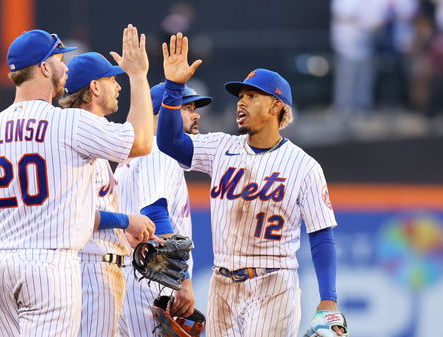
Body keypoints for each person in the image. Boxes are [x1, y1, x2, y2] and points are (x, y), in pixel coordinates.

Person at [0, 24, 154, 337]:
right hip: (49, 266)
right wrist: (139, 75)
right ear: (44, 67)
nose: (65, 66)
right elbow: (142, 142)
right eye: (60, 59)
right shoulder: (68, 122)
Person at [157, 33, 346, 337]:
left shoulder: (304, 166)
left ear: (276, 106)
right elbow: (169, 142)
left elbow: (321, 235)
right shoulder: (221, 147)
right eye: (240, 96)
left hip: (273, 283)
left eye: (252, 96)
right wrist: (174, 87)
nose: (241, 102)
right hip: (222, 284)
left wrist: (328, 299)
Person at [57, 51, 157, 337]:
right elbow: (141, 141)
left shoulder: (85, 138)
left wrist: (121, 233)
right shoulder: (81, 132)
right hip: (89, 268)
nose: (118, 86)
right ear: (94, 87)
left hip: (92, 264)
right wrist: (126, 221)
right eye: (112, 79)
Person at [115, 82, 212, 337]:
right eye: (187, 107)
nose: (196, 114)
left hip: (128, 274)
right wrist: (182, 281)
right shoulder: (158, 149)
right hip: (147, 278)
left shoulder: (133, 154)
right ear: (160, 113)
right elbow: (155, 214)